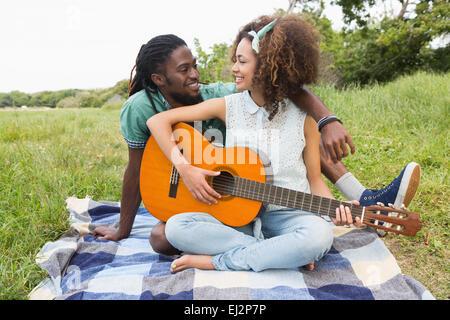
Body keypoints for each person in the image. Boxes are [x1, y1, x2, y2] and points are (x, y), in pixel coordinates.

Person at [93, 28, 420, 252]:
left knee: (290, 127)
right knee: (161, 238)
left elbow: (289, 89)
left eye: (195, 66)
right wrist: (124, 227)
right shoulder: (140, 108)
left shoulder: (216, 95)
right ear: (159, 79)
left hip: (250, 185)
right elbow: (136, 170)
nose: (195, 74)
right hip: (195, 197)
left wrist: (326, 119)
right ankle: (275, 249)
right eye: (184, 69)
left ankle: (362, 198)